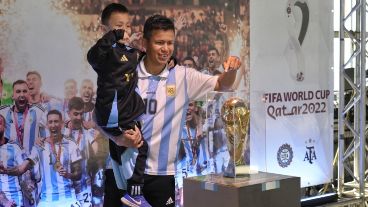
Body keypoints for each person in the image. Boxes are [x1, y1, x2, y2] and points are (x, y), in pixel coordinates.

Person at [107, 14, 240, 207]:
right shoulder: (127, 73)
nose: (166, 49)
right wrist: (118, 138)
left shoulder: (182, 77)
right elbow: (99, 116)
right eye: (159, 42)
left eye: (170, 43)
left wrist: (232, 71)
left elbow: (222, 84)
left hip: (162, 176)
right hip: (123, 171)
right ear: (145, 43)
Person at [87, 3, 151, 207]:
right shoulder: (104, 55)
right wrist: (114, 36)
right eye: (119, 26)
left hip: (126, 113)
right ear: (105, 30)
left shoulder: (130, 52)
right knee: (140, 147)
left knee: (122, 152)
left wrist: (170, 62)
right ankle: (134, 194)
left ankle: (129, 192)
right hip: (115, 114)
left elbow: (142, 58)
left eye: (128, 25)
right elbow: (92, 56)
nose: (125, 29)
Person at [0, 110, 82, 207]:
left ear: (62, 124)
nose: (53, 125)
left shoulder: (71, 144)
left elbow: (78, 174)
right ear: (47, 125)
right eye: (50, 122)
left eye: (56, 121)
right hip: (46, 201)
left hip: (68, 199)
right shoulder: (40, 146)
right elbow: (21, 169)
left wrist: (68, 174)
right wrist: (6, 171)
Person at [64, 97, 97, 207]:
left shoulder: (89, 134)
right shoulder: (62, 134)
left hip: (84, 187)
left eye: (81, 114)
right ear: (68, 113)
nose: (79, 117)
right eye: (75, 114)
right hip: (66, 189)